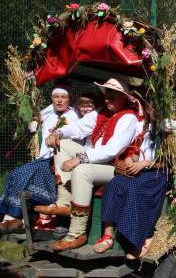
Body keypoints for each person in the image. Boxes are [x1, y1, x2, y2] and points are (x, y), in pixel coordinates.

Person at [39, 77, 138, 251]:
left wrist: (79, 159)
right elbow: (77, 128)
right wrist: (58, 133)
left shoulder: (128, 118)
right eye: (107, 95)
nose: (108, 99)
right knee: (61, 144)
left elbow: (112, 150)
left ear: (124, 98)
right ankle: (64, 202)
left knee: (82, 171)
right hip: (94, 160)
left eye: (114, 96)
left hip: (114, 167)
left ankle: (77, 233)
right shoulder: (101, 113)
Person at [93, 104, 166, 267]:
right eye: (150, 108)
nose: (153, 111)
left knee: (134, 189)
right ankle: (108, 235)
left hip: (156, 174)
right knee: (115, 183)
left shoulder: (168, 133)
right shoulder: (146, 131)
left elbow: (169, 163)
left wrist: (146, 163)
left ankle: (140, 239)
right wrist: (130, 160)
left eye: (157, 108)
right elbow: (135, 153)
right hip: (141, 171)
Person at [0, 85, 80, 234]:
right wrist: (34, 118)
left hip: (59, 161)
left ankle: (15, 217)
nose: (59, 100)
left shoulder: (74, 115)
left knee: (25, 172)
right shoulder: (49, 114)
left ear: (70, 99)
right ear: (52, 99)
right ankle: (9, 218)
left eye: (63, 97)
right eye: (56, 97)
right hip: (43, 159)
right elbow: (40, 115)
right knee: (15, 173)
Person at [33, 93, 98, 231]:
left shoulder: (95, 119)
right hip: (62, 157)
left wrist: (76, 159)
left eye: (89, 105)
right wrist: (56, 133)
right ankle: (20, 216)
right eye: (82, 106)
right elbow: (73, 130)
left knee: (44, 170)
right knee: (33, 169)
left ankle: (53, 219)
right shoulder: (78, 120)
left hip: (91, 160)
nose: (85, 109)